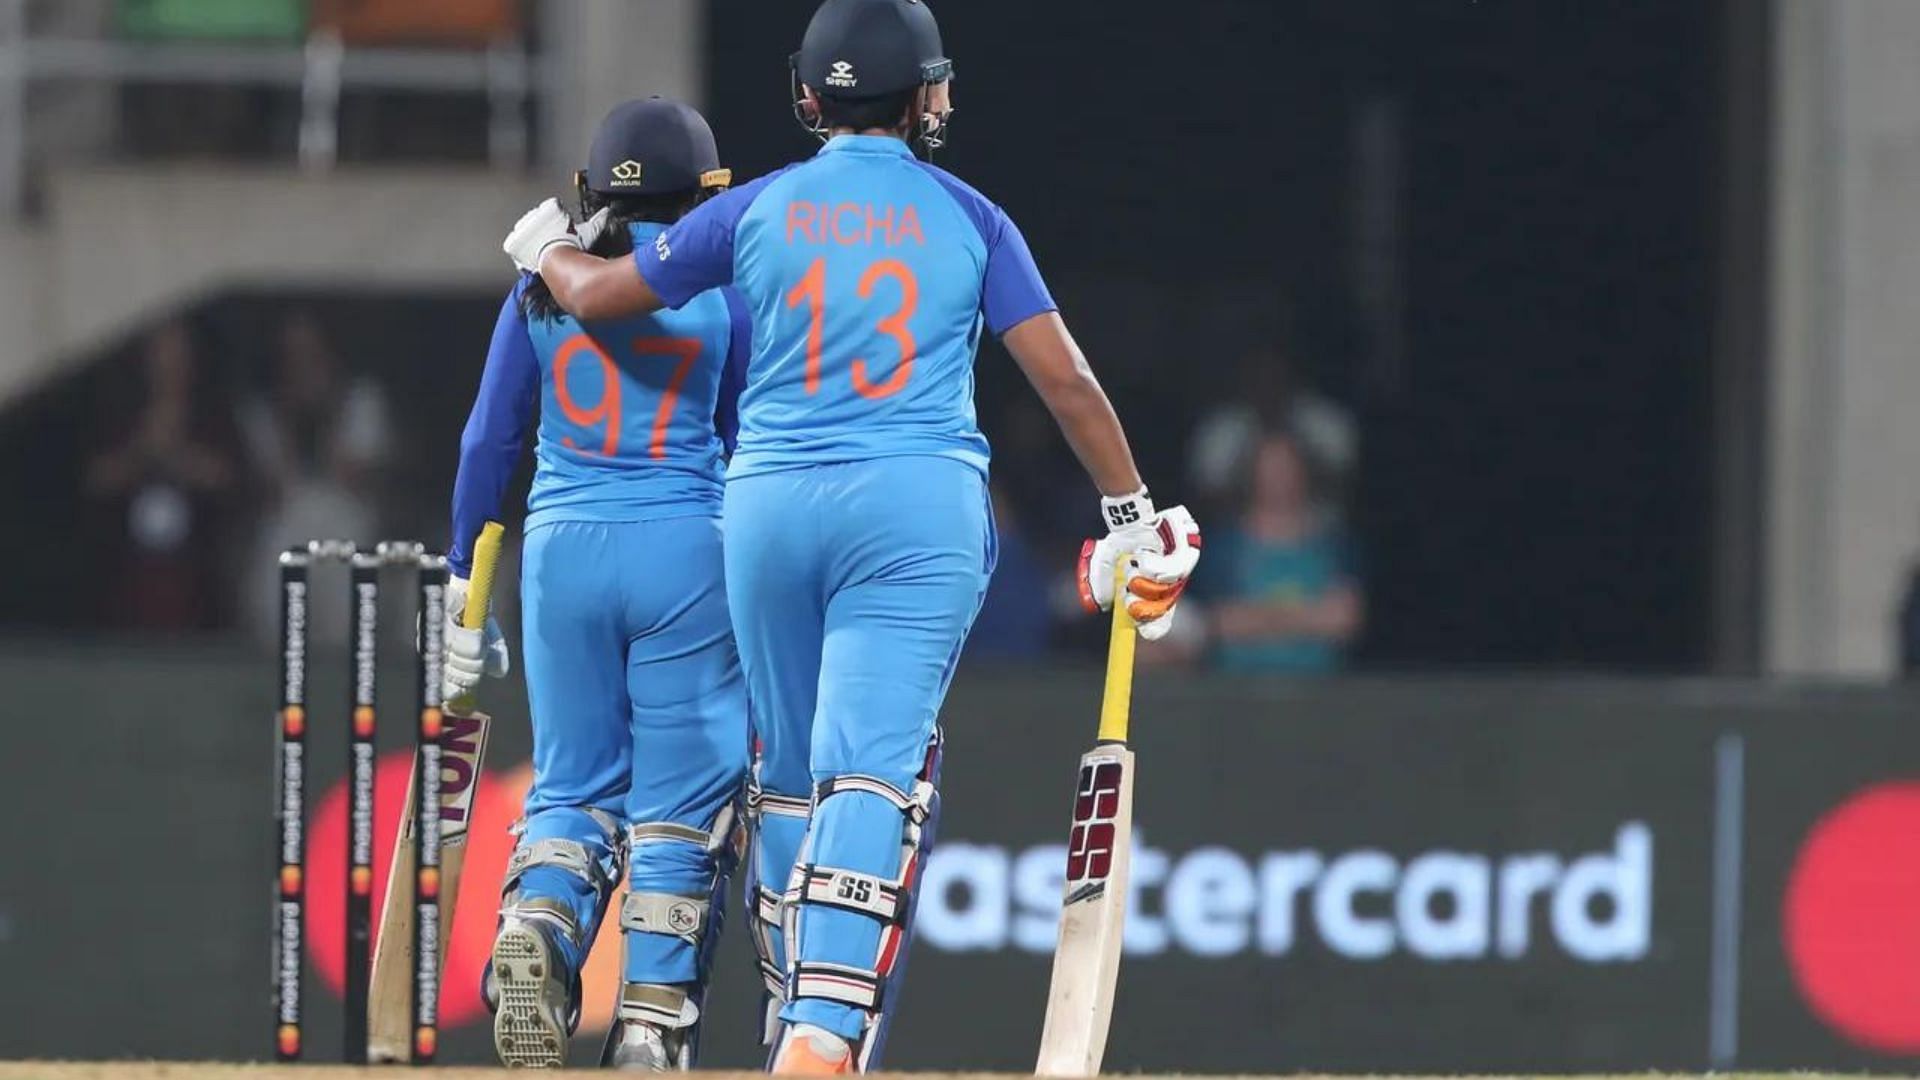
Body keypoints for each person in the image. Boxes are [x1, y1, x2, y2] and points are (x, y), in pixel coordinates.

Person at [499, 1, 1202, 1071]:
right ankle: (818, 1030)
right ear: (924, 94)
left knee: (784, 774)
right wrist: (1130, 516)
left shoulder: (756, 210)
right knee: (870, 771)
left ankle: (779, 1013)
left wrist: (550, 250)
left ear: (810, 95)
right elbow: (1064, 378)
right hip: (912, 510)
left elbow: (596, 297)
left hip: (768, 509)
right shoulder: (971, 215)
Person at [442, 97, 750, 1070]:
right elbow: (749, 436)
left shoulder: (539, 289)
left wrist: (463, 583)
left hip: (563, 550)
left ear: (585, 190)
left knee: (572, 781)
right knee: (680, 799)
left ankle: (540, 921)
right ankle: (652, 1021)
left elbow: (489, 442)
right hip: (685, 548)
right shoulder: (728, 288)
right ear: (708, 196)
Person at [1200, 430, 1363, 673]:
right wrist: (1308, 617)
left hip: (1323, 690)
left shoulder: (1333, 543)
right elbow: (1218, 623)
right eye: (1270, 468)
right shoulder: (1225, 547)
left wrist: (1261, 618)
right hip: (1235, 690)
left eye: (1287, 467)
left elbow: (1344, 620)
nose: (1279, 477)